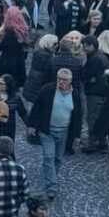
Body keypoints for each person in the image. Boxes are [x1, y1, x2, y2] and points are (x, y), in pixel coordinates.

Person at [28, 68, 82, 200]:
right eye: (59, 79)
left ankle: (50, 179)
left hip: (64, 132)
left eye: (64, 80)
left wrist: (76, 136)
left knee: (57, 159)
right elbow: (37, 107)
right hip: (47, 131)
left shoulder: (75, 94)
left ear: (70, 81)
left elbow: (78, 115)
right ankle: (52, 187)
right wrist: (32, 125)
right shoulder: (47, 89)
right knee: (48, 157)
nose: (61, 82)